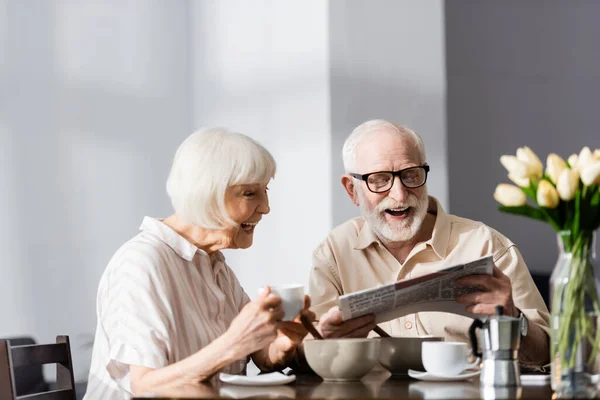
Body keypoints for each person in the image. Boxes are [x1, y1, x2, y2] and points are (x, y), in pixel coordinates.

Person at [85, 128, 315, 399]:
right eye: (250, 194)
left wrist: (283, 343)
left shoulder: (214, 265)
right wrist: (235, 342)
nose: (266, 207)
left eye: (264, 191)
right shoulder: (141, 263)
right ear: (207, 194)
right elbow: (145, 386)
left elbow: (262, 357)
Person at [309, 119, 550, 367]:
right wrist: (323, 343)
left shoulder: (487, 246)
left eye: (410, 175)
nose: (400, 195)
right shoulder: (334, 254)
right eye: (380, 180)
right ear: (351, 190)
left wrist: (513, 319)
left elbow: (547, 355)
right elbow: (306, 354)